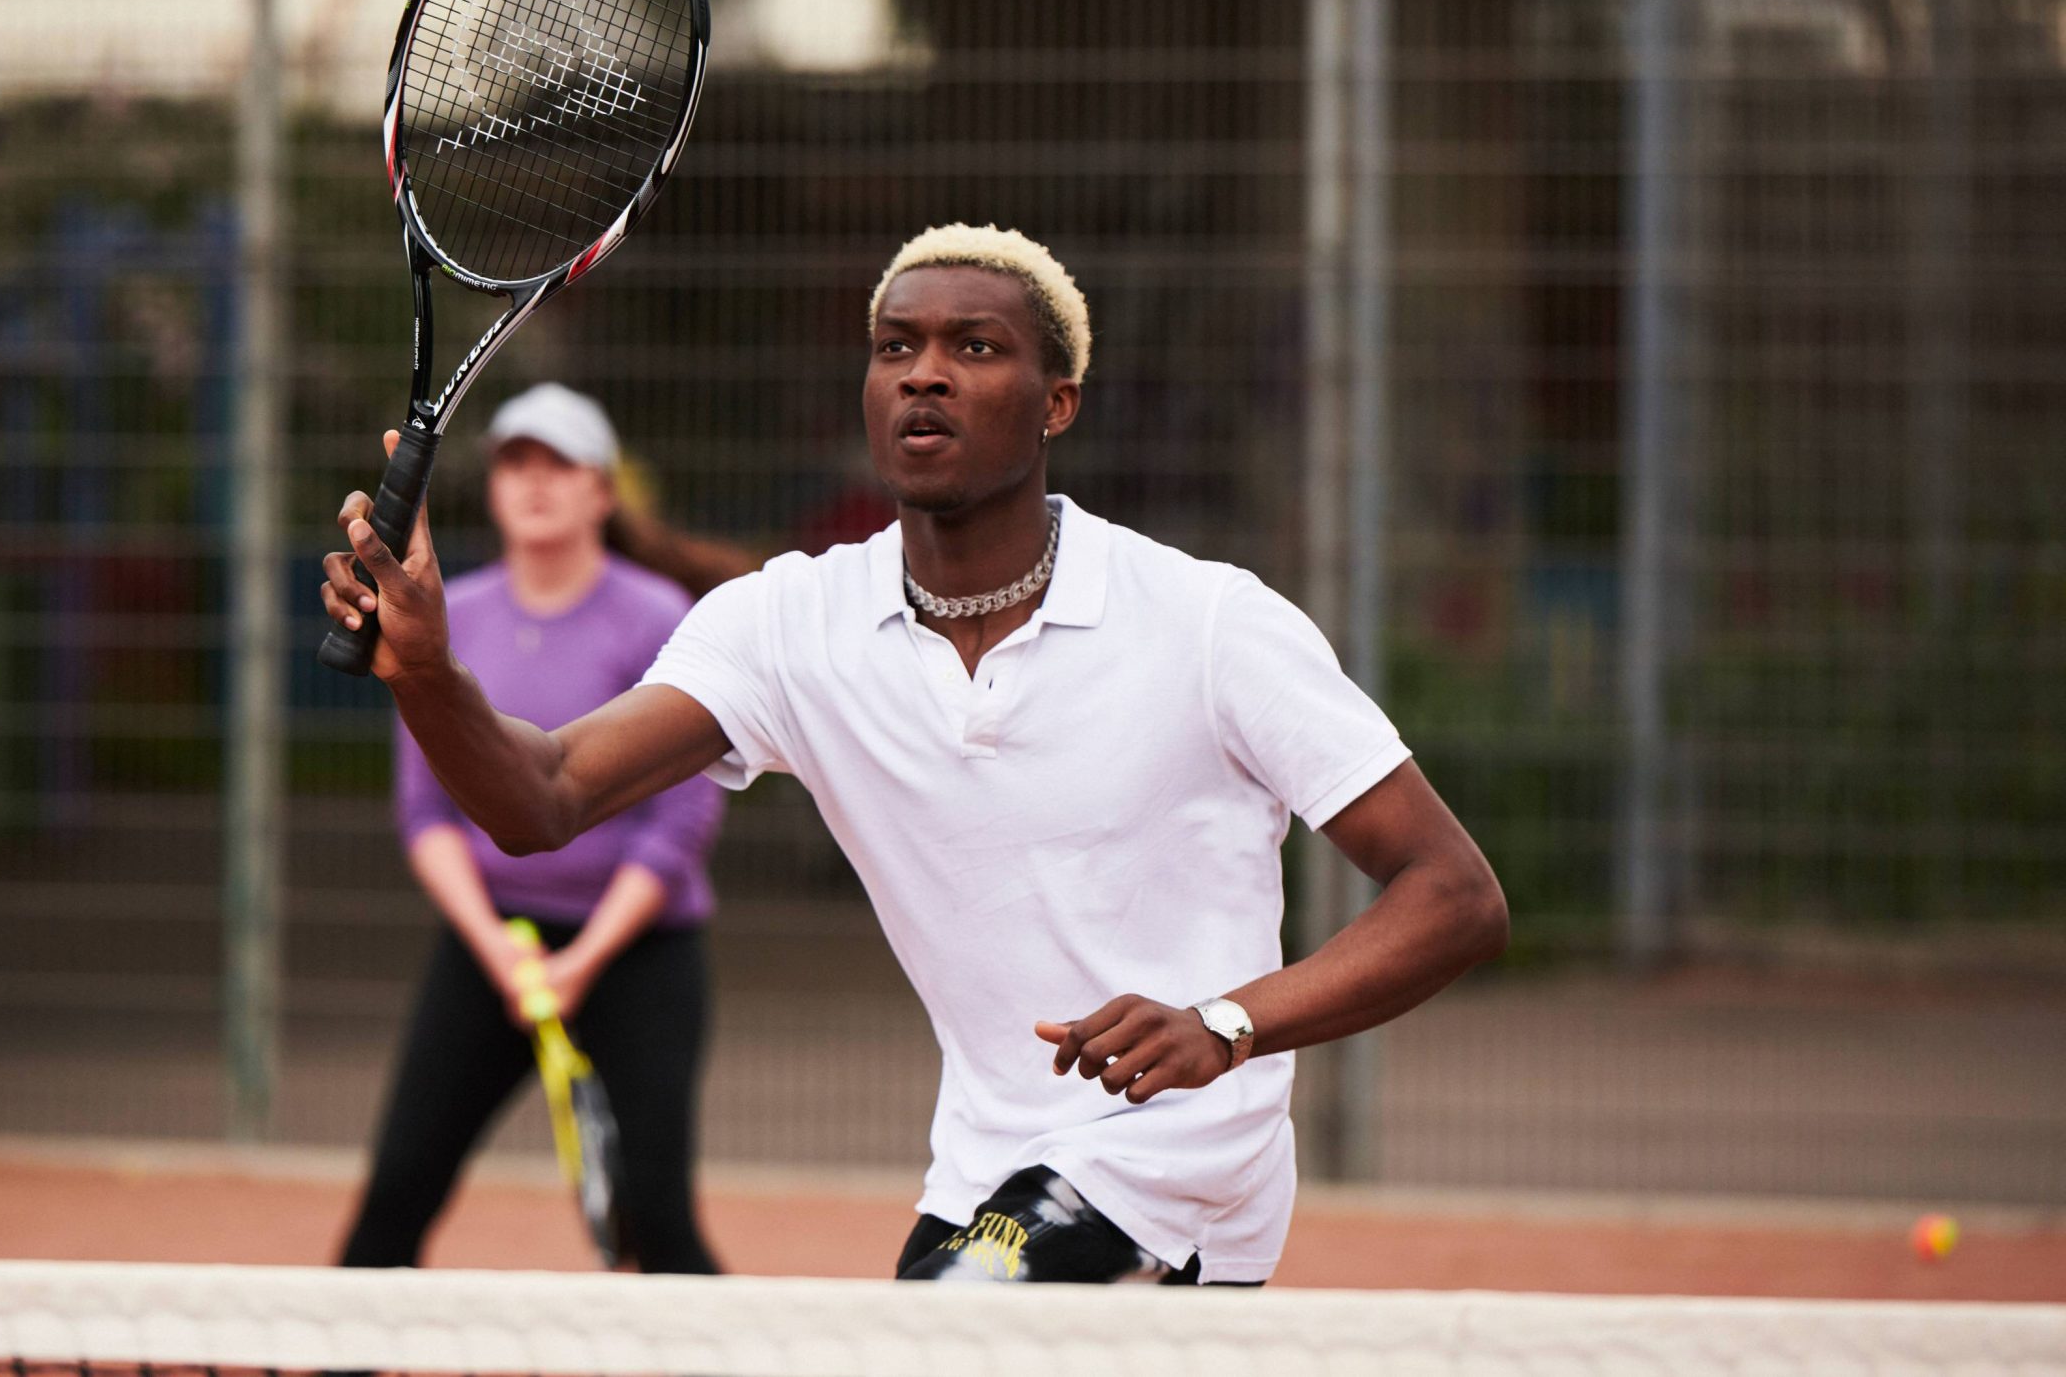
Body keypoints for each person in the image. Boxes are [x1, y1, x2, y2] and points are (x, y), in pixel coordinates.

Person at [321, 225, 1508, 1286]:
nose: (925, 370)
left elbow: (1453, 895)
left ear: (1058, 403)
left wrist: (1227, 1023)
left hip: (1178, 1163)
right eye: (895, 347)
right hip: (979, 1168)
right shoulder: (788, 624)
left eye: (976, 347)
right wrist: (424, 670)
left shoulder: (1207, 623)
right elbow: (543, 796)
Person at [337, 382, 724, 1276]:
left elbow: (681, 819)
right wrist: (504, 953)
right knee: (395, 1193)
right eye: (517, 461)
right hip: (492, 947)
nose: (535, 481)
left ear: (601, 492)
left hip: (640, 955)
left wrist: (581, 961)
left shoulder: (660, 615)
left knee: (659, 1224)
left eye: (561, 463)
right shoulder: (444, 616)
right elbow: (425, 812)